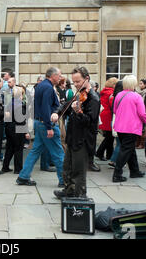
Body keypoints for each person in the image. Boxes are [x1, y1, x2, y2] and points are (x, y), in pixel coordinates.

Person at [53, 67, 100, 199]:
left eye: (78, 81)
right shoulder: (79, 95)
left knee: (79, 171)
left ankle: (80, 196)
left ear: (87, 79)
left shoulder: (93, 99)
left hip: (83, 140)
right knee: (67, 167)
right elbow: (66, 106)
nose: (76, 85)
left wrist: (79, 112)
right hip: (72, 137)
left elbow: (90, 122)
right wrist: (56, 113)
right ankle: (69, 191)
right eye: (74, 82)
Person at [17, 67, 64, 186]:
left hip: (39, 122)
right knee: (58, 153)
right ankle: (65, 180)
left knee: (35, 151)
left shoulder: (41, 86)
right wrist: (49, 127)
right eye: (59, 75)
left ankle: (23, 176)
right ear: (52, 76)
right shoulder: (48, 87)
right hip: (46, 124)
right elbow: (46, 108)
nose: (60, 78)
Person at [112, 75, 146, 183]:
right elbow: (142, 113)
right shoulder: (136, 96)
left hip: (120, 127)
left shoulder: (119, 95)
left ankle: (135, 171)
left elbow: (115, 110)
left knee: (129, 149)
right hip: (132, 127)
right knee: (126, 150)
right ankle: (117, 174)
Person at [2, 86, 30, 174]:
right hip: (18, 128)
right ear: (20, 95)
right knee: (18, 149)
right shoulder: (20, 106)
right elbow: (22, 120)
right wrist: (26, 132)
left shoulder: (10, 103)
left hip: (9, 128)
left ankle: (5, 166)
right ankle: (18, 169)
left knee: (9, 148)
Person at [95, 77, 118, 161]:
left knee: (109, 137)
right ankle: (99, 153)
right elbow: (113, 106)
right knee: (109, 137)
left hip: (104, 115)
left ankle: (109, 155)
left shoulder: (104, 92)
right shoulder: (111, 93)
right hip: (109, 116)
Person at [108, 80, 123, 169]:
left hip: (113, 120)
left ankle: (114, 160)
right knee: (119, 143)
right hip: (117, 120)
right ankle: (114, 160)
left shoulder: (113, 96)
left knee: (118, 143)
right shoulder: (118, 97)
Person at [135, 78, 146, 149]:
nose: (140, 85)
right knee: (139, 128)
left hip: (145, 111)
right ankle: (137, 142)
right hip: (138, 111)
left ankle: (142, 144)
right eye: (139, 83)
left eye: (141, 83)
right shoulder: (138, 92)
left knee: (143, 129)